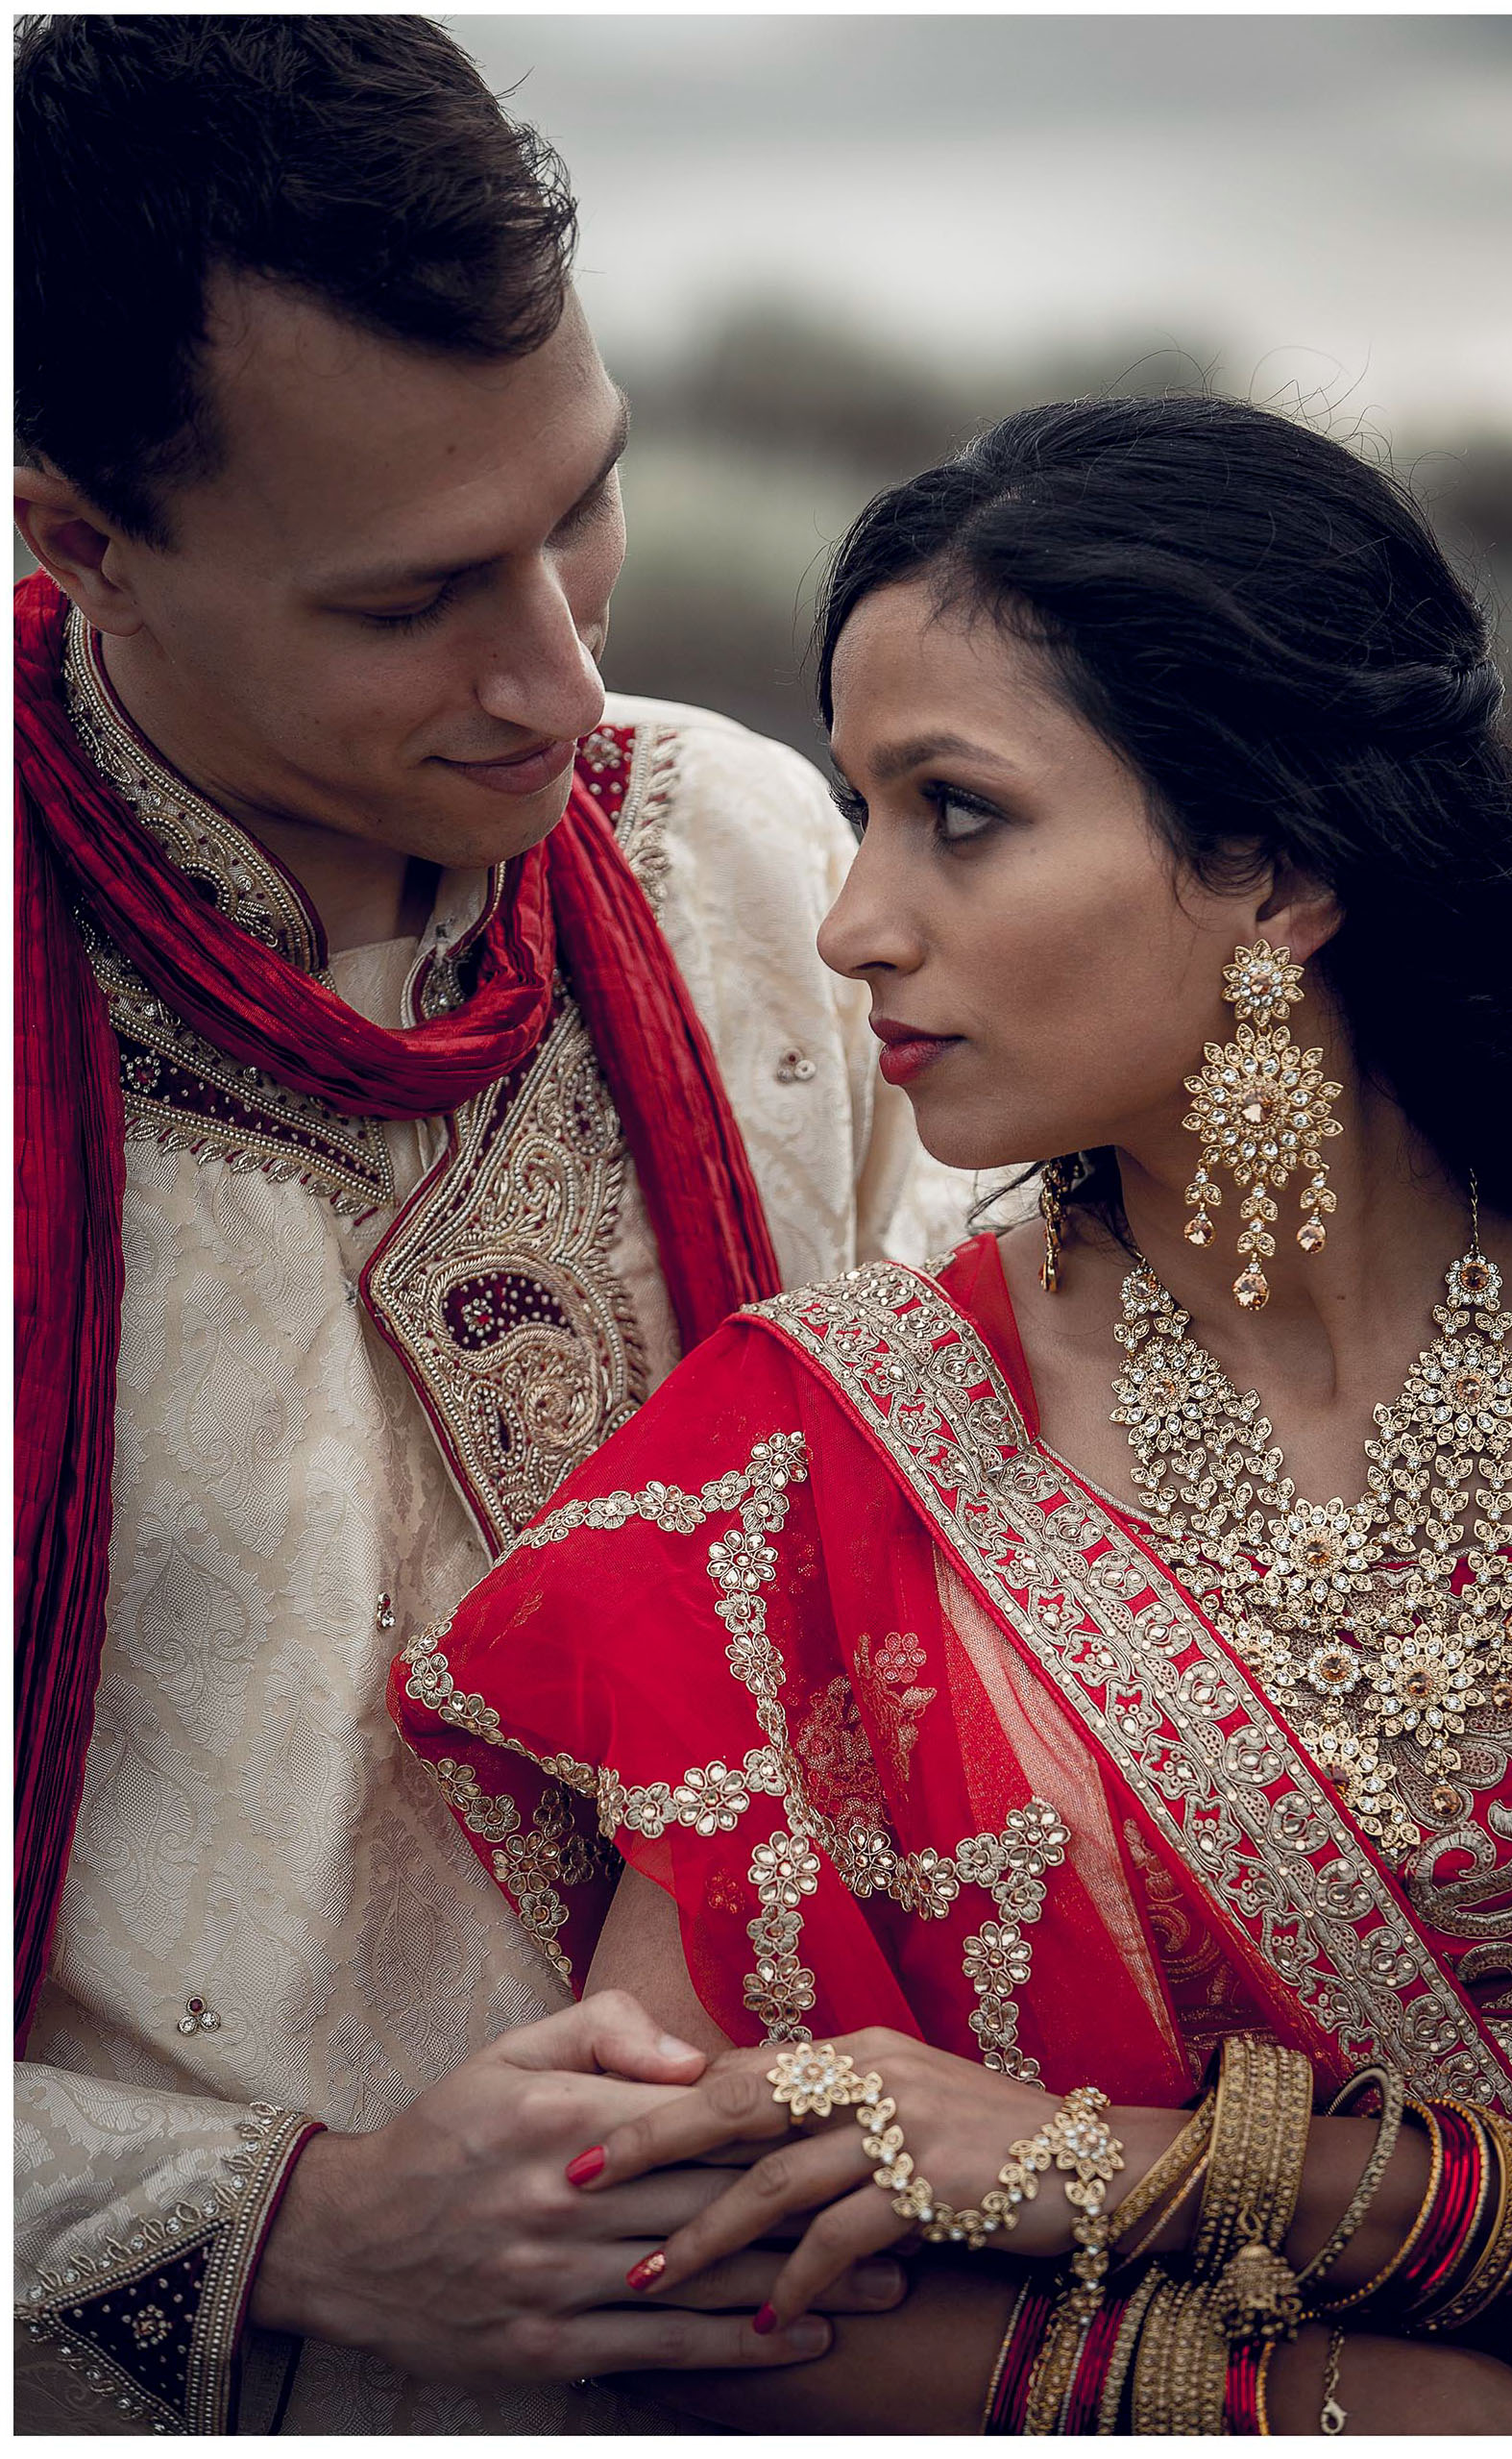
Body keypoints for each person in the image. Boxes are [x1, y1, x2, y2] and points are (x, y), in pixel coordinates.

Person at [396, 396, 1512, 2433]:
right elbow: (663, 2237)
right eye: (861, 811)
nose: (854, 919)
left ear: (1279, 865)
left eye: (954, 811)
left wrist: (1125, 2166)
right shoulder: (803, 1463)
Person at [13, 14, 963, 2435]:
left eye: (586, 505)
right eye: (414, 595)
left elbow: (1076, 1570)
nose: (560, 669)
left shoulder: (764, 872)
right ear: (75, 534)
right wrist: (304, 2231)